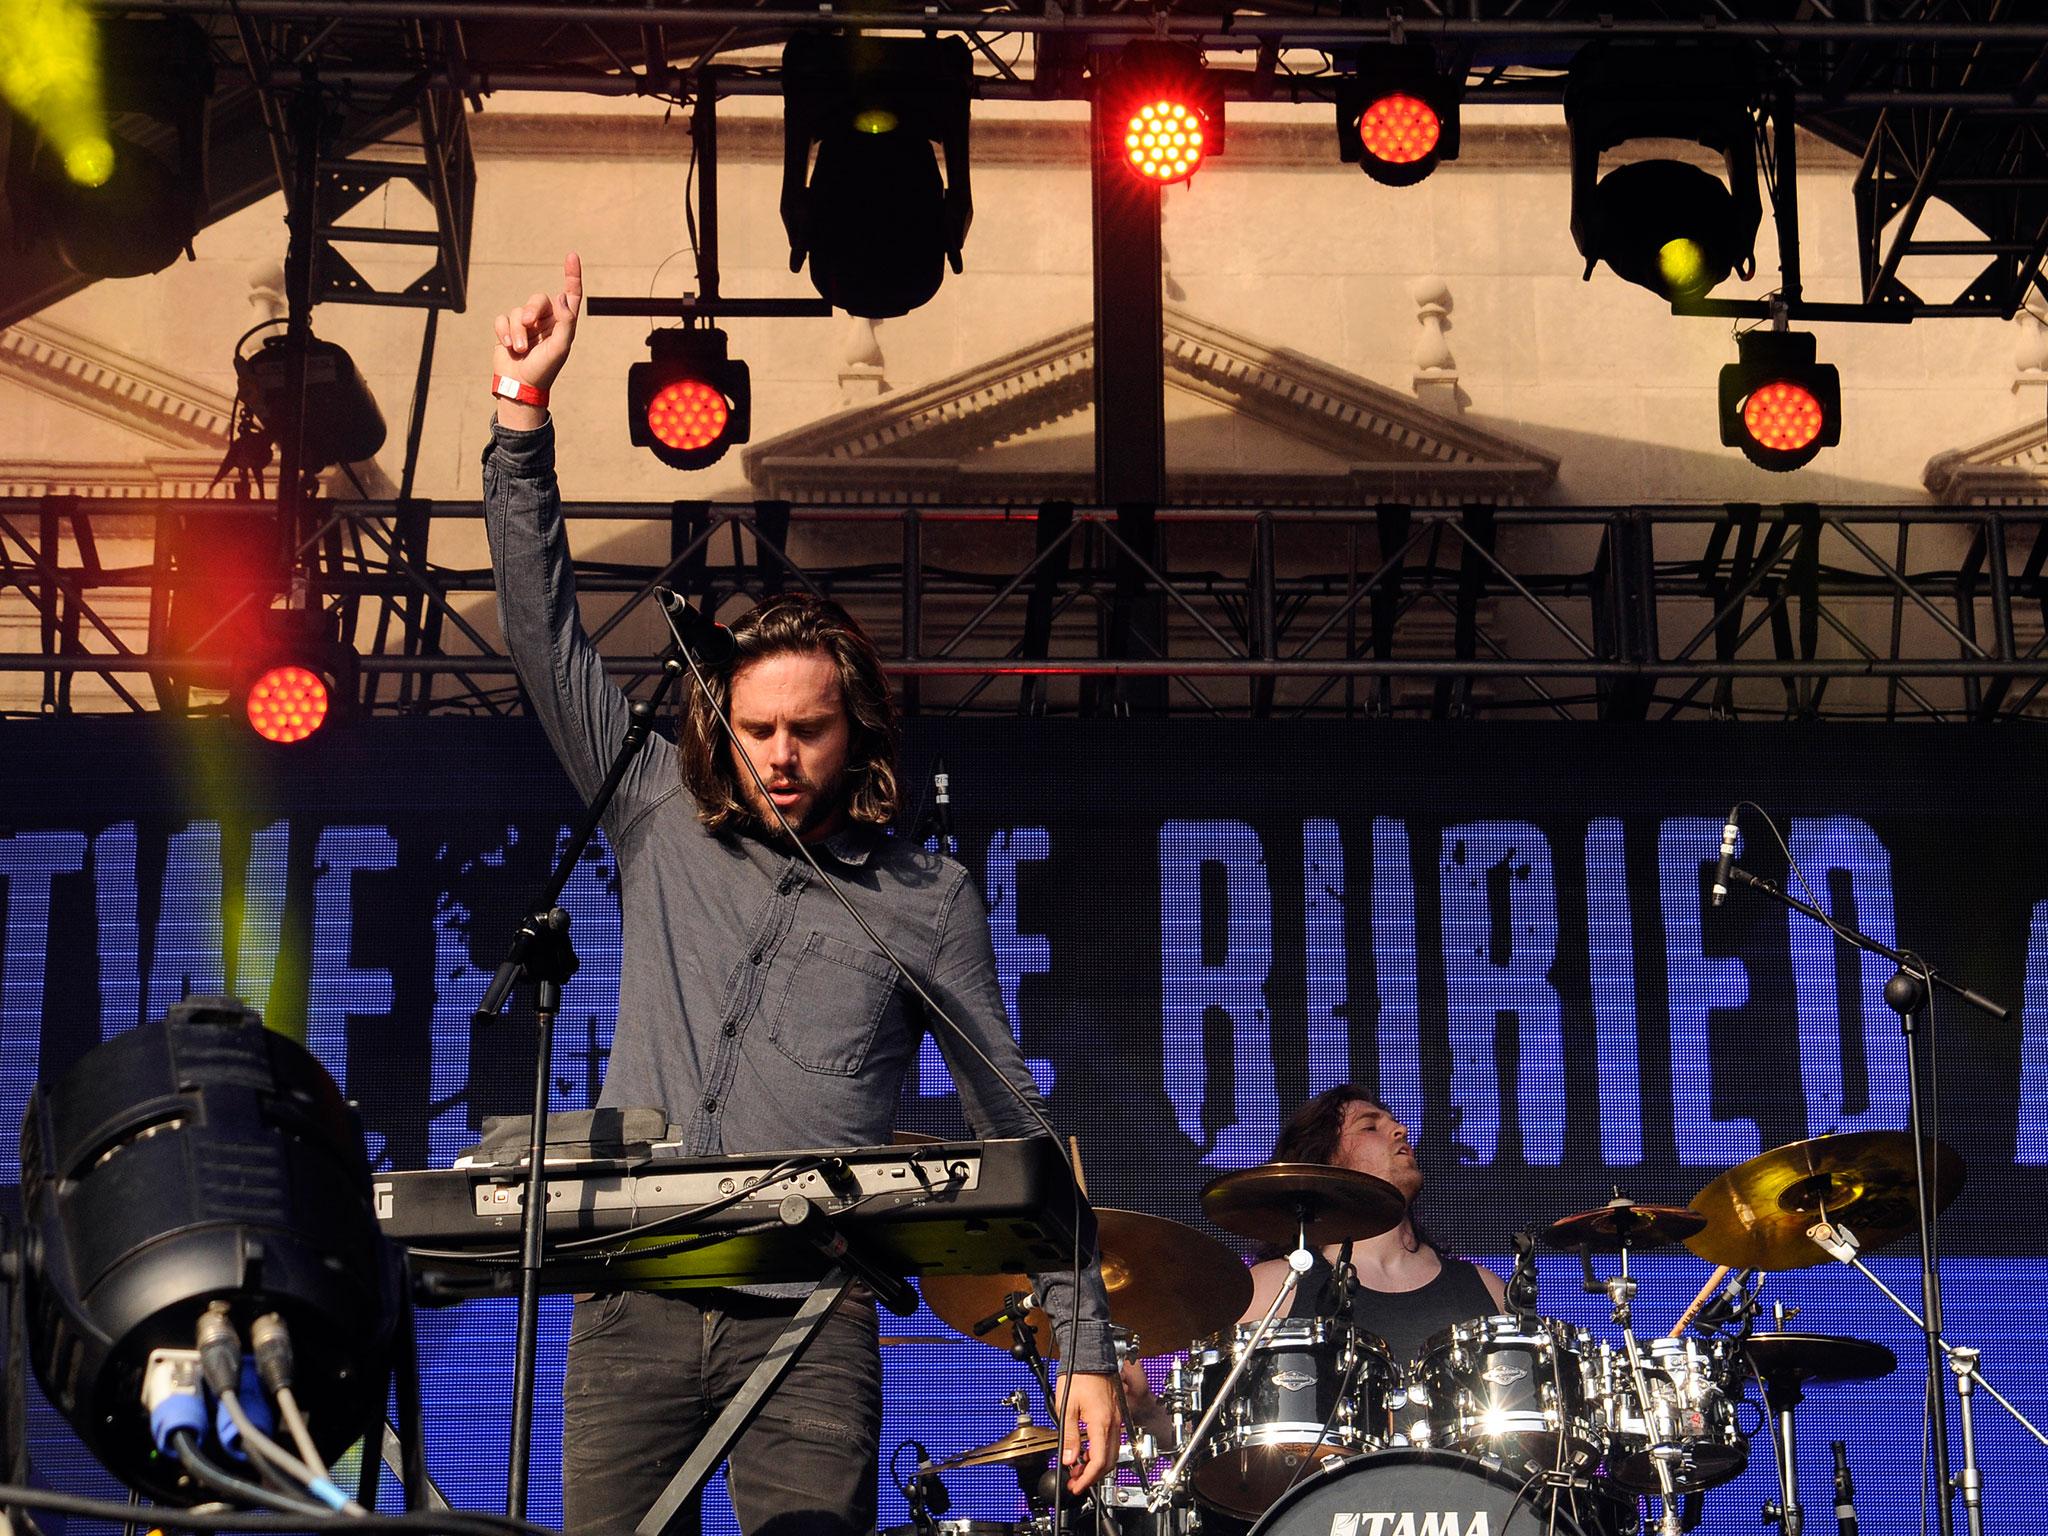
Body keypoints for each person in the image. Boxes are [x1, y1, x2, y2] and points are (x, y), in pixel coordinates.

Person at [482, 254, 1120, 1536]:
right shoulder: (659, 815)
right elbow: (547, 633)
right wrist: (519, 419)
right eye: (757, 727)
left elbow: (1012, 1111)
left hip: (810, 1320)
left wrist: (1084, 1340)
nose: (778, 754)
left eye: (806, 730)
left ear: (854, 734)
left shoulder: (925, 898)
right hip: (635, 1309)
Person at [1121, 1086, 1504, 1443]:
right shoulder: (1270, 1291)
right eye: (1370, 1126)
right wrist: (1146, 1413)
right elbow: (1210, 1446)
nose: (1401, 1130)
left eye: (1396, 1122)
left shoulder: (1487, 1290)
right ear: (1327, 1162)